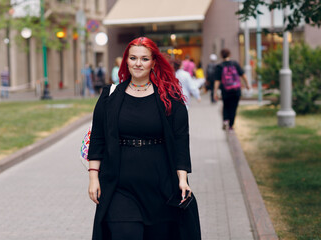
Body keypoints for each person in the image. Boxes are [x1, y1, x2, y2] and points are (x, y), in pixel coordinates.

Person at [87, 37, 201, 240]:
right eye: (133, 58)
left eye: (144, 59)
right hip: (119, 186)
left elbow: (180, 141)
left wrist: (182, 179)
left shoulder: (170, 98)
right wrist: (93, 178)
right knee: (125, 233)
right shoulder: (110, 96)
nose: (138, 63)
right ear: (126, 61)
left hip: (161, 185)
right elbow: (98, 139)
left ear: (153, 62)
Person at [213, 48, 250, 130]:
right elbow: (243, 75)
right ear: (230, 55)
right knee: (233, 107)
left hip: (225, 91)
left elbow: (217, 81)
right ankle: (231, 126)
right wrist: (247, 85)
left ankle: (225, 120)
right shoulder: (235, 64)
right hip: (236, 90)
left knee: (226, 106)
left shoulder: (219, 66)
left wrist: (215, 93)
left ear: (221, 56)